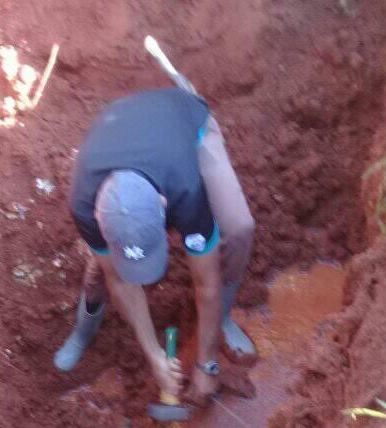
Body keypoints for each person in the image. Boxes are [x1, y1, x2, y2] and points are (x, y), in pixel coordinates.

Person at [54, 87, 256, 404]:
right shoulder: (84, 203)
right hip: (122, 130)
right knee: (101, 272)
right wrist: (155, 356)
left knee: (239, 228)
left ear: (164, 205)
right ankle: (84, 330)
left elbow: (206, 283)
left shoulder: (186, 190)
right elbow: (119, 281)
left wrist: (207, 363)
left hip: (185, 121)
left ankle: (223, 319)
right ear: (99, 219)